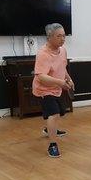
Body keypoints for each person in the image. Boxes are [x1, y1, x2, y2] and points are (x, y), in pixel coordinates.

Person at [32, 23, 74, 158]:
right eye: (59, 36)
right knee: (54, 113)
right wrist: (61, 83)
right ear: (49, 37)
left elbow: (63, 67)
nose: (63, 39)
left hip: (57, 88)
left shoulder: (63, 50)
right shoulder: (43, 54)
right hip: (44, 89)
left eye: (64, 35)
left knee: (59, 112)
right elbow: (41, 77)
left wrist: (69, 79)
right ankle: (52, 145)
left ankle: (49, 129)